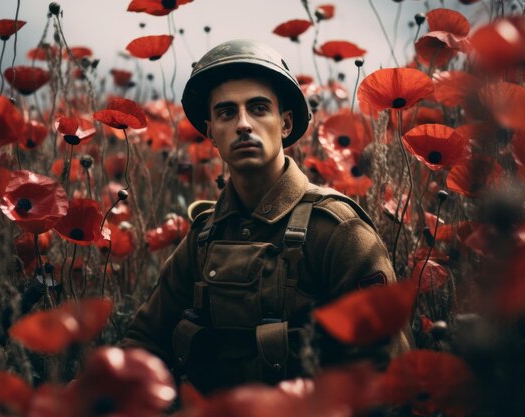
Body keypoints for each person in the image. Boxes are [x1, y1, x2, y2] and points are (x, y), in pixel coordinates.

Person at [122, 39, 411, 394]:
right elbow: (144, 342)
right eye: (227, 113)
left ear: (286, 124)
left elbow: (386, 373)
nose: (243, 124)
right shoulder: (204, 236)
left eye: (258, 109)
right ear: (211, 132)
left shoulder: (337, 230)